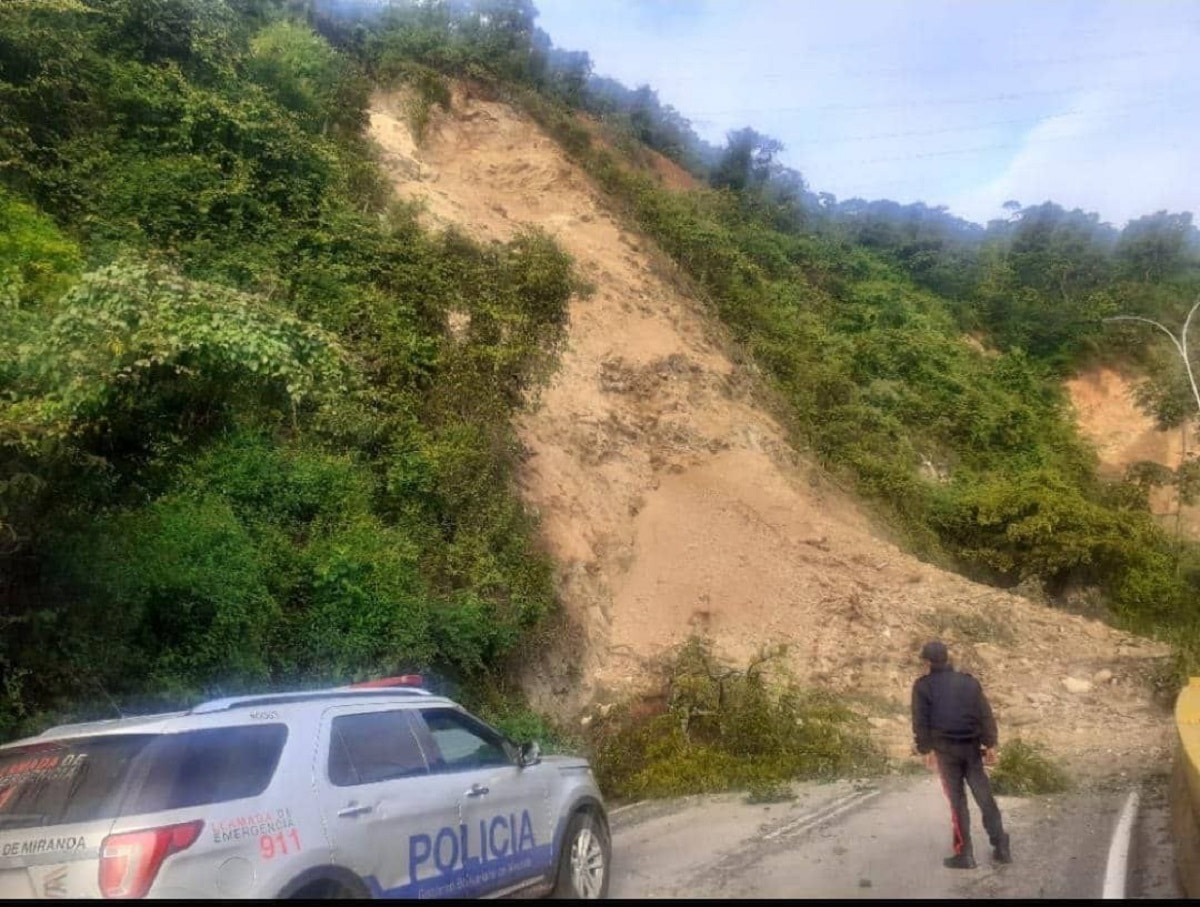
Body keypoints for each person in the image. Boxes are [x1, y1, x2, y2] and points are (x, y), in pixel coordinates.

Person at [911, 639, 1012, 869]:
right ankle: (1002, 846)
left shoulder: (922, 686)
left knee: (957, 803)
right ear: (947, 658)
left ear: (927, 662)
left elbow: (921, 722)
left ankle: (965, 854)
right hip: (971, 748)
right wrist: (990, 744)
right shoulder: (969, 682)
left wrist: (926, 750)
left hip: (946, 752)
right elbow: (985, 714)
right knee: (984, 797)